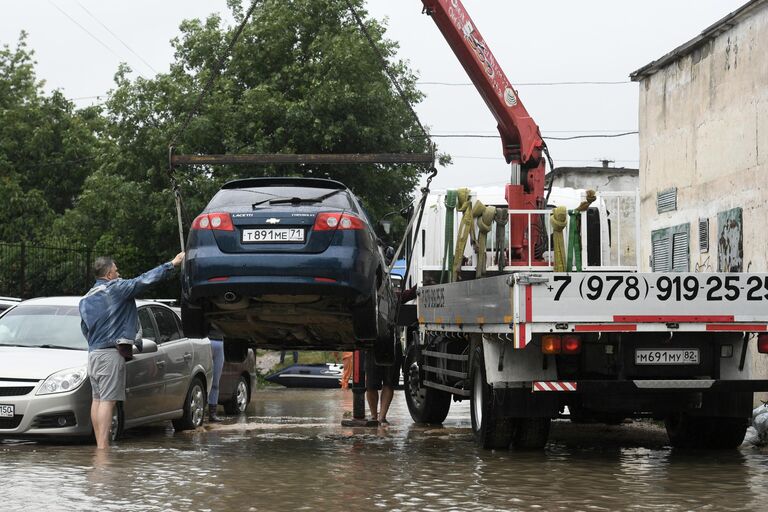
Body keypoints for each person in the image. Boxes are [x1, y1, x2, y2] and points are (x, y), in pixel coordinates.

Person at [79, 252, 185, 450]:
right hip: (110, 354)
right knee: (108, 401)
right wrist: (173, 264)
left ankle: (100, 446)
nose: (119, 274)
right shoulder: (116, 289)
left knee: (97, 399)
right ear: (109, 273)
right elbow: (144, 280)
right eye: (117, 271)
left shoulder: (85, 299)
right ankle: (103, 449)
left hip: (93, 354)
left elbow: (84, 329)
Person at [365, 349, 400, 426]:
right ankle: (373, 416)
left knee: (389, 382)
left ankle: (382, 417)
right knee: (371, 384)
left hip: (392, 344)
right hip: (372, 345)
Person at [207, 329, 225, 423]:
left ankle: (212, 413)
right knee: (204, 379)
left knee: (215, 382)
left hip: (220, 342)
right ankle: (200, 411)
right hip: (206, 341)